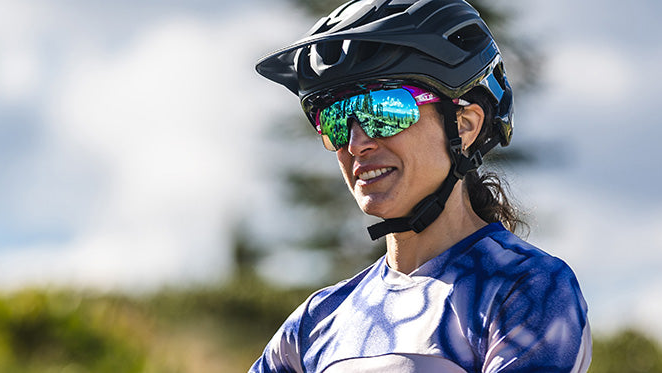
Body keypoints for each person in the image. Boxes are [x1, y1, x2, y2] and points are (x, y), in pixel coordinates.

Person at [249, 0, 591, 372]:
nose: (356, 142)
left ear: (465, 126)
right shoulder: (315, 322)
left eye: (384, 110)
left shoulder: (525, 288)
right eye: (334, 120)